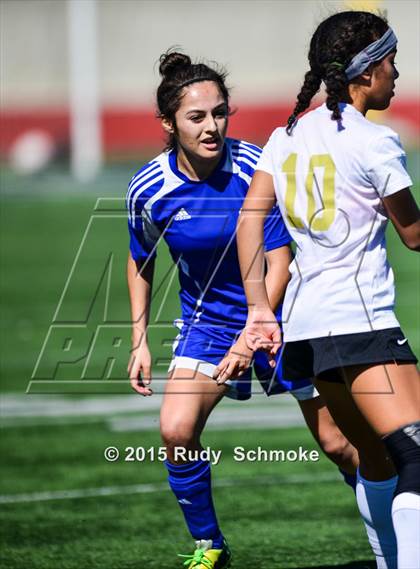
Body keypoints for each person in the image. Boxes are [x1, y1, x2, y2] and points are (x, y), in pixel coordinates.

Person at [126, 50, 359, 569]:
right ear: (168, 123)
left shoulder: (258, 166)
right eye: (196, 117)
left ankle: (397, 536)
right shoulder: (149, 188)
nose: (212, 127)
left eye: (220, 112)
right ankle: (210, 546)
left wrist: (252, 334)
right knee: (176, 429)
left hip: (285, 314)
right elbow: (139, 258)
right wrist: (139, 339)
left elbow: (280, 264)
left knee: (340, 443)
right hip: (208, 324)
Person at [236, 11, 420, 569]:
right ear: (365, 73)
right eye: (390, 61)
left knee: (376, 457)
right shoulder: (375, 141)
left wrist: (259, 308)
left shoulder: (284, 136)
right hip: (361, 326)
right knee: (413, 453)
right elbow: (414, 236)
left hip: (307, 332)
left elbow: (250, 218)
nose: (397, 72)